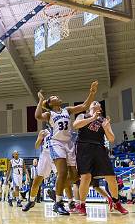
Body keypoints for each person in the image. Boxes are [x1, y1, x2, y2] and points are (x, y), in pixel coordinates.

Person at [34, 81, 98, 215]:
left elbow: (85, 106)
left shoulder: (67, 110)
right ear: (51, 103)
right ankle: (58, 203)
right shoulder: (49, 114)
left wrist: (92, 92)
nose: (57, 96)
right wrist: (40, 101)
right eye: (54, 97)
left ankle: (57, 189)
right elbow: (37, 116)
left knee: (75, 176)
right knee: (62, 172)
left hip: (68, 143)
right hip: (56, 143)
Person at [73, 101, 128, 215]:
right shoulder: (83, 115)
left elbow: (111, 139)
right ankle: (82, 205)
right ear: (89, 107)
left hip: (99, 147)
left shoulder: (104, 120)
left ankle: (116, 202)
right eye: (93, 103)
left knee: (111, 177)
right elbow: (75, 125)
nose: (95, 102)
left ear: (101, 109)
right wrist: (92, 118)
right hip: (84, 147)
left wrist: (107, 128)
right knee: (86, 177)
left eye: (98, 103)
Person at [23, 129, 57, 212]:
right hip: (45, 154)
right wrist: (40, 138)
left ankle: (57, 197)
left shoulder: (60, 127)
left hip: (57, 153)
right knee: (37, 180)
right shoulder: (44, 131)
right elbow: (36, 146)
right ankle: (31, 201)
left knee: (62, 175)